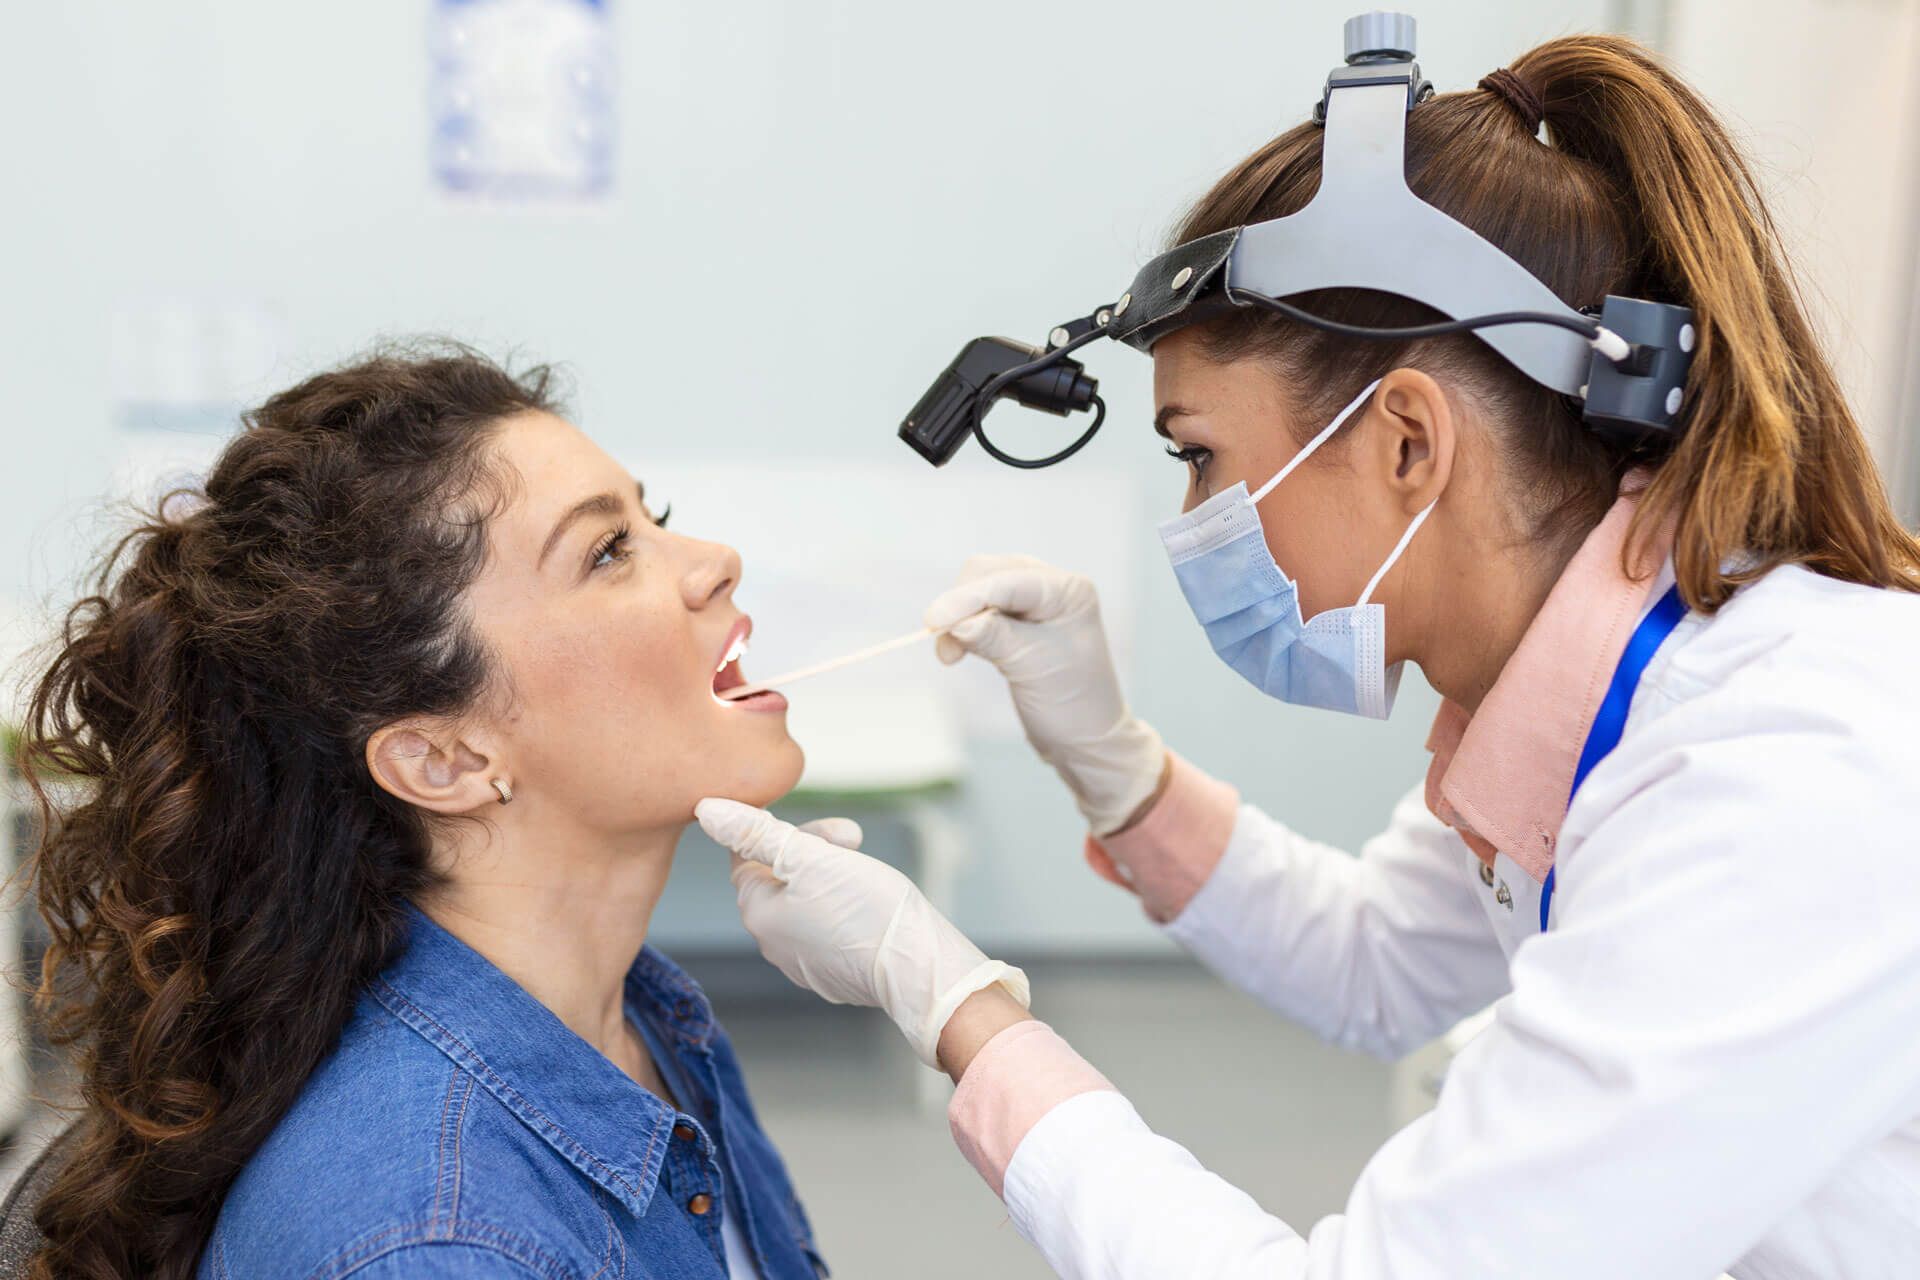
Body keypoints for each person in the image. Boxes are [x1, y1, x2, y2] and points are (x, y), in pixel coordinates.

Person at [693, 34, 1920, 1280]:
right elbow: (1377, 958)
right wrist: (1113, 765)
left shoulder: (1781, 778)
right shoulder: (1593, 687)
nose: (1194, 524)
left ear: (1404, 443)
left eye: (1202, 457)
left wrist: (956, 1005)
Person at [18, 347, 833, 1279]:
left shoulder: (643, 1017)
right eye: (608, 551)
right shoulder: (436, 1245)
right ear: (444, 759)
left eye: (657, 519)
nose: (716, 562)